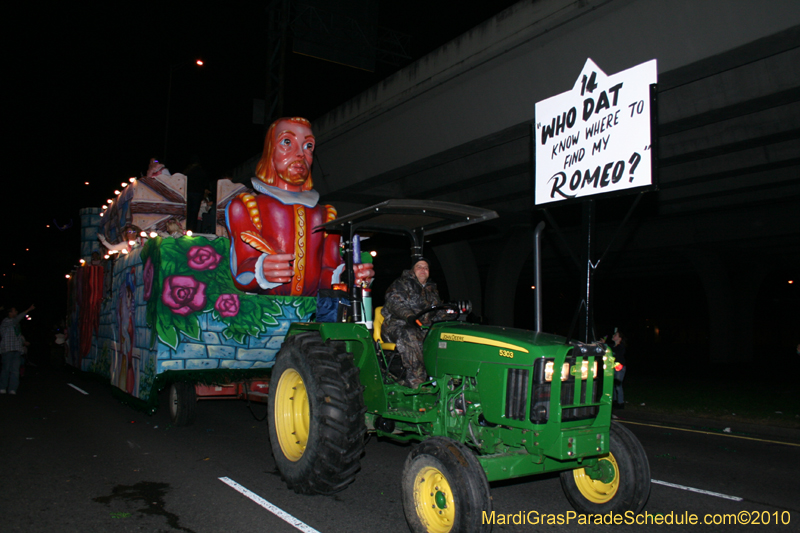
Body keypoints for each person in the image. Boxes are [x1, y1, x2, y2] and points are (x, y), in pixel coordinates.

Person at [226, 116, 372, 296]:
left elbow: (327, 271)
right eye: (287, 142)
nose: (301, 154)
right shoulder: (246, 206)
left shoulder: (326, 215)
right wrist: (261, 271)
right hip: (263, 313)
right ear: (271, 151)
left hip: (310, 313)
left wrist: (348, 276)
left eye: (308, 146)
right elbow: (242, 271)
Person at [381, 258, 451, 388]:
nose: (423, 270)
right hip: (398, 325)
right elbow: (395, 304)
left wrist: (449, 316)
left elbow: (438, 310)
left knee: (446, 336)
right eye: (419, 267)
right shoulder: (401, 284)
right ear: (413, 270)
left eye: (426, 267)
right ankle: (416, 382)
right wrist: (410, 316)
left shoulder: (432, 290)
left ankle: (443, 380)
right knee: (411, 334)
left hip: (424, 328)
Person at [1, 304, 35, 395]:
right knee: (6, 369)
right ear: (10, 313)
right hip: (8, 349)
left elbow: (18, 336)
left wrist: (23, 343)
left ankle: (13, 388)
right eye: (14, 311)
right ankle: (3, 387)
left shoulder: (16, 325)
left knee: (15, 370)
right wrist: (28, 309)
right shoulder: (6, 321)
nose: (16, 312)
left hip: (16, 349)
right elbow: (18, 318)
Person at [609, 329, 627, 410]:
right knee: (613, 385)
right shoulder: (612, 346)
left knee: (618, 386)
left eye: (615, 335)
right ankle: (615, 401)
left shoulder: (620, 347)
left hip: (619, 368)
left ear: (619, 338)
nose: (613, 336)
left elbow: (617, 352)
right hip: (614, 367)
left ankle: (621, 403)